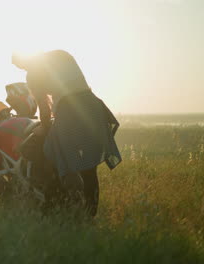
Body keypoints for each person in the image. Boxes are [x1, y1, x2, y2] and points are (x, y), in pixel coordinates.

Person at [12, 50, 122, 216]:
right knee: (89, 167)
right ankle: (90, 214)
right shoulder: (62, 55)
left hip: (70, 110)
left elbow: (43, 109)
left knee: (47, 151)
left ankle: (55, 203)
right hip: (93, 107)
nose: (22, 69)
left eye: (19, 65)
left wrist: (44, 127)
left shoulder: (32, 74)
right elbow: (77, 86)